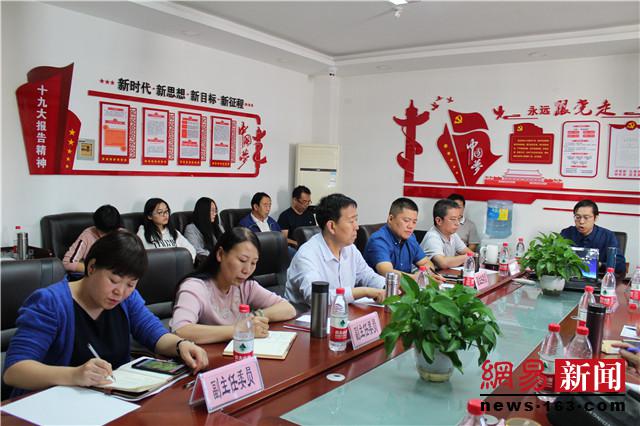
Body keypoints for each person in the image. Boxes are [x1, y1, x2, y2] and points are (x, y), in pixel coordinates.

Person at [3, 231, 208, 396]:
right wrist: (74, 375)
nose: (120, 292)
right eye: (113, 280)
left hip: (112, 401)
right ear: (91, 267)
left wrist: (181, 345)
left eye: (130, 284)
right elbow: (14, 371)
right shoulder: (50, 302)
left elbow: (155, 334)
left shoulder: (127, 298)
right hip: (52, 406)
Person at [171, 227, 296, 344]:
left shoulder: (245, 286)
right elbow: (180, 331)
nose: (247, 270)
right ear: (220, 254)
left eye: (253, 263)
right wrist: (239, 329)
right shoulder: (195, 287)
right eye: (242, 260)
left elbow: (288, 309)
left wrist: (254, 317)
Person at [285, 193, 386, 310]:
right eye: (351, 221)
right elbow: (317, 298)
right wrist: (363, 291)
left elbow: (367, 276)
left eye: (356, 220)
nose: (357, 227)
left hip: (340, 314)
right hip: (307, 318)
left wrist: (387, 287)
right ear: (332, 226)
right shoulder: (307, 255)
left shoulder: (350, 248)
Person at [364, 197, 443, 281]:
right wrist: (416, 278)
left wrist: (423, 275)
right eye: (406, 220)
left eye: (414, 222)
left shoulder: (410, 238)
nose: (410, 226)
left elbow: (428, 263)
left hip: (406, 287)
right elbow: (387, 272)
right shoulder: (378, 240)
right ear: (391, 219)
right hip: (381, 288)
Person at [560, 199, 626, 276]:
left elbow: (620, 265)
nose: (581, 221)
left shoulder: (608, 236)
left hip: (598, 279)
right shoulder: (566, 233)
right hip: (569, 277)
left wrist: (599, 264)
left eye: (586, 217)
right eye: (577, 217)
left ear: (595, 218)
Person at [63, 204, 122, 273]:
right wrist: (97, 270)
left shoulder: (123, 235)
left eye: (111, 233)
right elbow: (67, 262)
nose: (106, 236)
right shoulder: (87, 235)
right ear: (96, 226)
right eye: (103, 232)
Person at [420, 199, 474, 269]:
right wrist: (468, 257)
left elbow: (467, 252)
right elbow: (443, 263)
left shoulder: (453, 234)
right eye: (453, 219)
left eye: (459, 218)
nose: (457, 223)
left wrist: (471, 256)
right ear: (439, 221)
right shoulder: (432, 237)